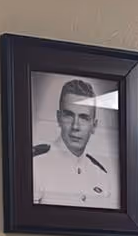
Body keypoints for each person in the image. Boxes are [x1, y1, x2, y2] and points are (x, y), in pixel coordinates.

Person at [32, 78, 119, 207]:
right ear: (58, 118)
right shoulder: (35, 167)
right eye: (69, 115)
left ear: (94, 125)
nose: (75, 126)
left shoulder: (102, 177)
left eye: (84, 118)